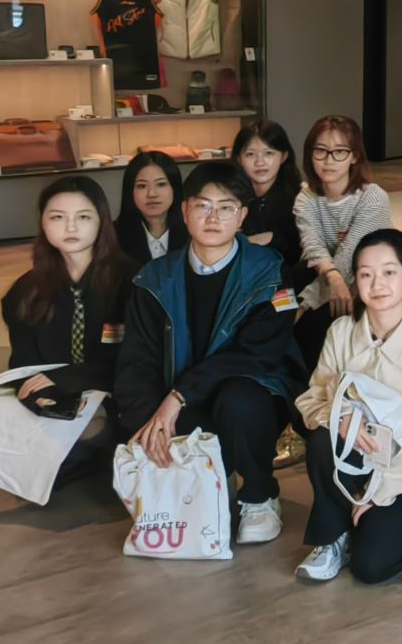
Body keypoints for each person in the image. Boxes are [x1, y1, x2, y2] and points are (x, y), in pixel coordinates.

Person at [114, 161, 306, 544]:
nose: (213, 218)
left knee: (240, 398)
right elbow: (137, 359)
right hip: (182, 400)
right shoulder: (154, 279)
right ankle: (208, 479)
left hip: (249, 396)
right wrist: (147, 421)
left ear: (242, 216)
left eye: (226, 207)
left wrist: (179, 394)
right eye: (203, 205)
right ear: (184, 211)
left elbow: (258, 354)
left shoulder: (269, 272)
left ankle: (259, 495)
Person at [292, 228, 402, 584]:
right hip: (358, 458)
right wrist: (340, 420)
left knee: (370, 565)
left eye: (389, 272)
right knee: (322, 439)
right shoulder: (341, 332)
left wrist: (379, 493)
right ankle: (331, 535)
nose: (377, 284)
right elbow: (311, 399)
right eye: (366, 274)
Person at [0, 176, 133, 494]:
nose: (70, 227)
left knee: (79, 429)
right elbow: (23, 363)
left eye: (83, 217)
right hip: (52, 398)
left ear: (101, 222)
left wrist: (69, 379)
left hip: (112, 395)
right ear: (43, 223)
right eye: (57, 217)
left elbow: (135, 360)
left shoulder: (131, 280)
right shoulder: (26, 291)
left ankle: (90, 454)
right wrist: (36, 396)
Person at [293, 115, 394, 366]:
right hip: (331, 281)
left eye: (339, 151)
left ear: (354, 156)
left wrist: (306, 303)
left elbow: (350, 255)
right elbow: (313, 247)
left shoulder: (372, 197)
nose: (328, 160)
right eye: (320, 151)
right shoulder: (306, 198)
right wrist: (332, 279)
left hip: (373, 281)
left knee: (312, 326)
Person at [232, 121, 302, 283]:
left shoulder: (301, 199)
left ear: (283, 156)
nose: (260, 162)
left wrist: (273, 238)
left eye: (269, 153)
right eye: (250, 154)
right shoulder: (229, 198)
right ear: (239, 158)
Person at [112, 149, 185, 270]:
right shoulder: (113, 236)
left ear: (175, 188)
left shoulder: (193, 232)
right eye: (142, 186)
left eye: (161, 184)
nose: (152, 194)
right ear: (130, 192)